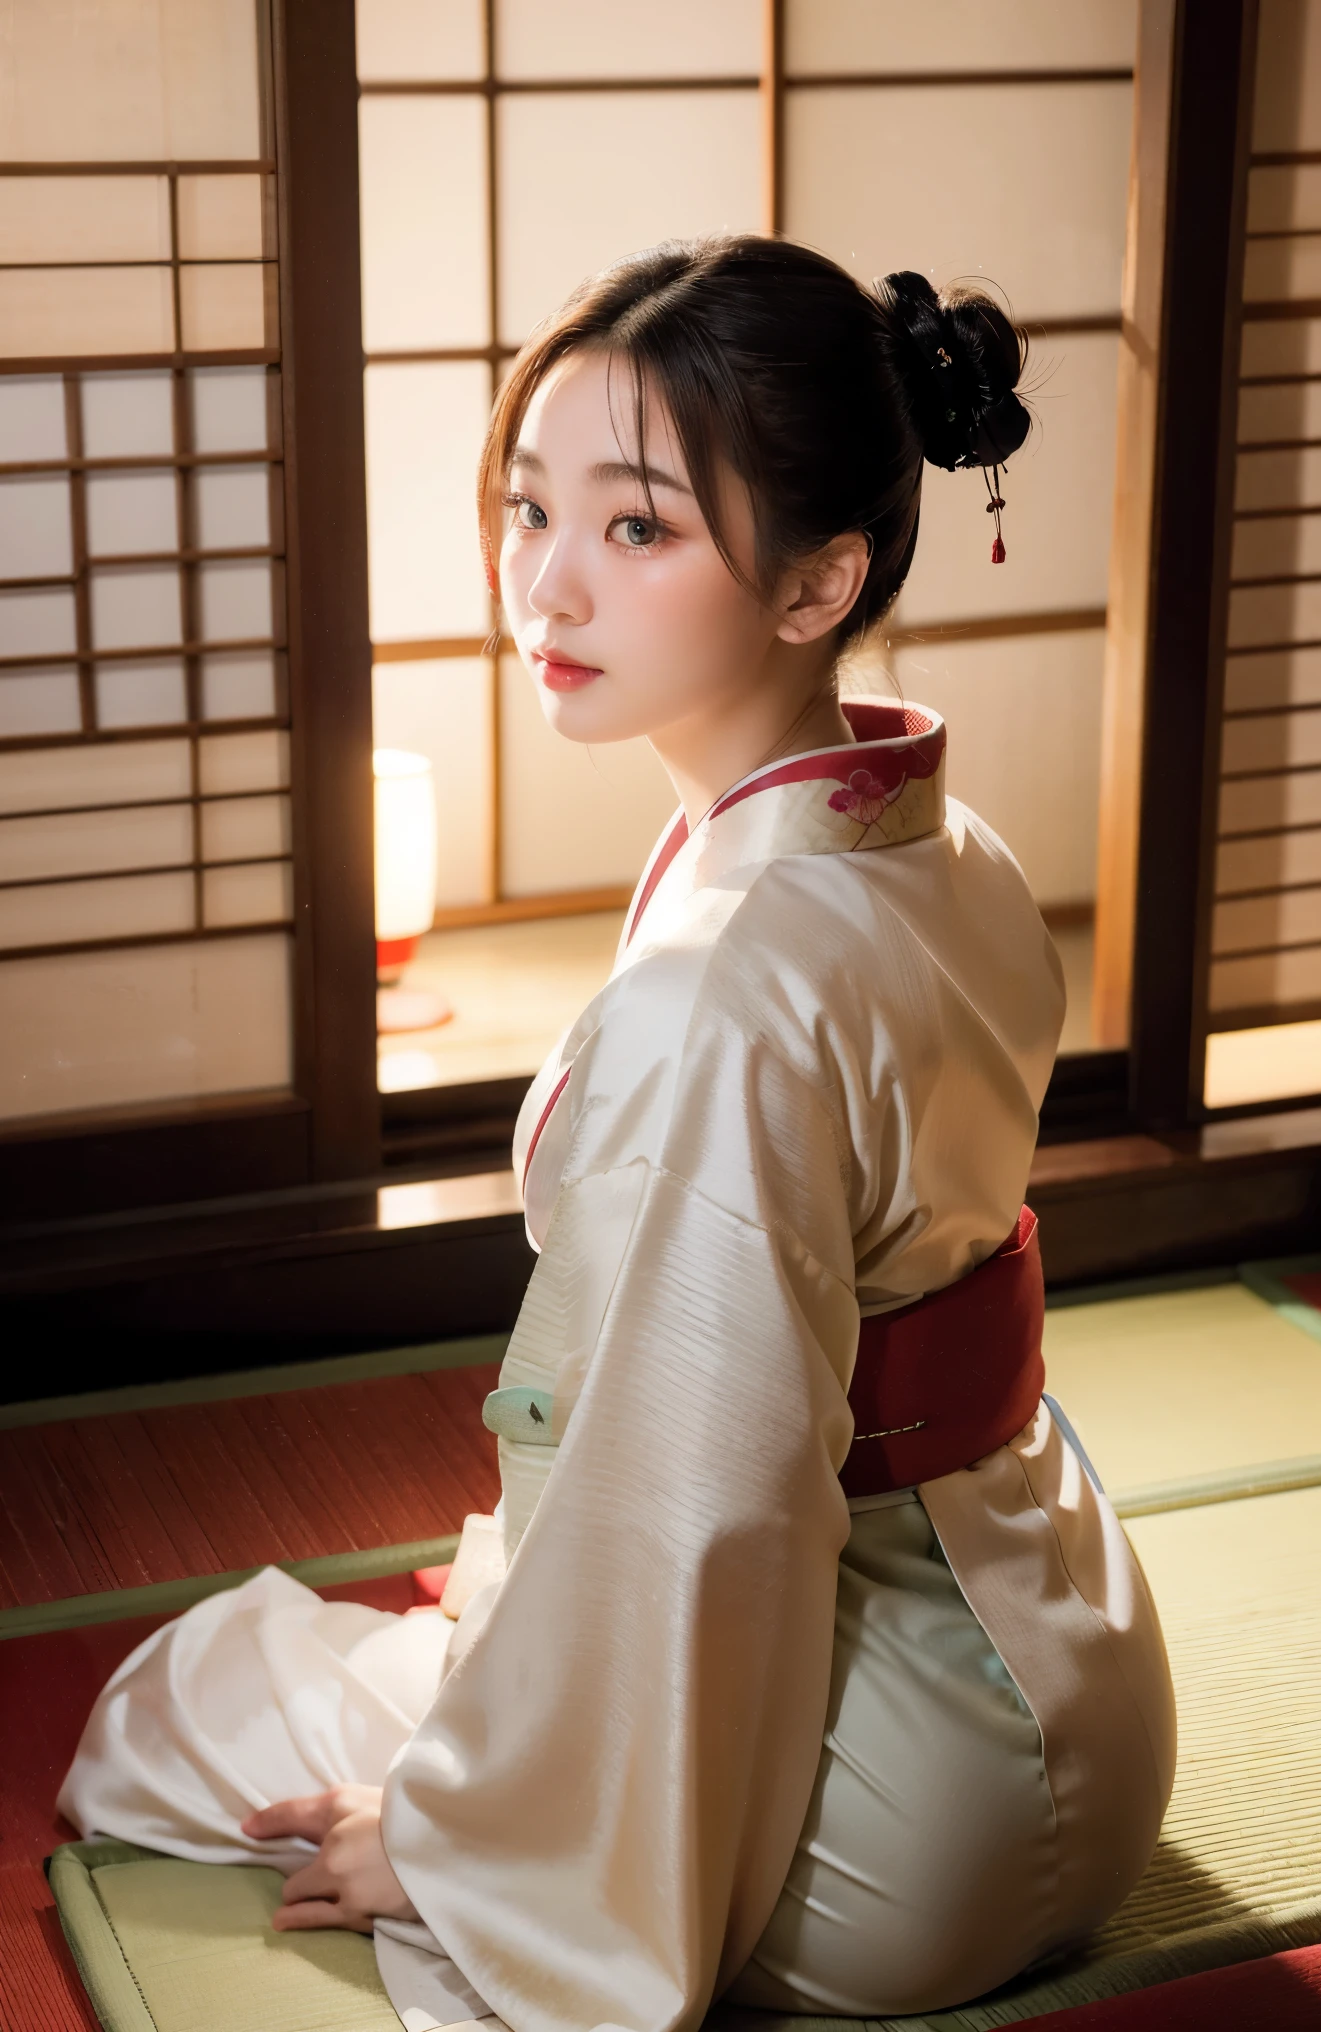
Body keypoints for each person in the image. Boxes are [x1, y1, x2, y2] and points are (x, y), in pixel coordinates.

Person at [60, 236, 1175, 2032]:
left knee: (179, 1705)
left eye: (636, 528)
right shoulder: (944, 846)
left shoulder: (724, 988)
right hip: (1085, 1701)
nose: (546, 584)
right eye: (527, 508)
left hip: (893, 1835)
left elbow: (695, 1513)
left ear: (819, 583)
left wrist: (458, 1834)